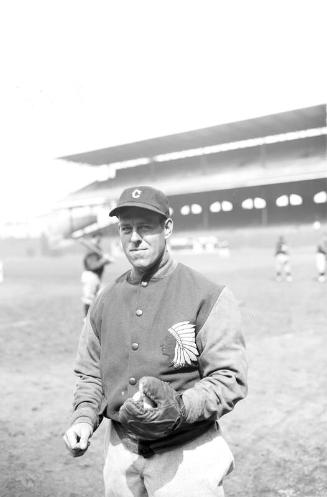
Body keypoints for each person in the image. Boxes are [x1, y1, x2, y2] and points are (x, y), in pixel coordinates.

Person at [64, 186, 248, 497]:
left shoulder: (209, 295)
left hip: (188, 455)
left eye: (145, 227)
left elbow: (230, 378)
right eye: (126, 228)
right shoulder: (105, 299)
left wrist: (180, 406)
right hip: (120, 453)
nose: (134, 238)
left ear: (167, 228)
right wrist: (84, 417)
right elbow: (91, 374)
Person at [81, 236, 113, 317]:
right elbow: (93, 265)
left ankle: (97, 318)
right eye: (95, 237)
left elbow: (101, 262)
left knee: (101, 297)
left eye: (99, 237)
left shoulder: (97, 249)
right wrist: (103, 260)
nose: (98, 239)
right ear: (92, 238)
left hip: (96, 277)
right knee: (89, 298)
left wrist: (107, 260)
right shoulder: (91, 251)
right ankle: (86, 318)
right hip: (90, 276)